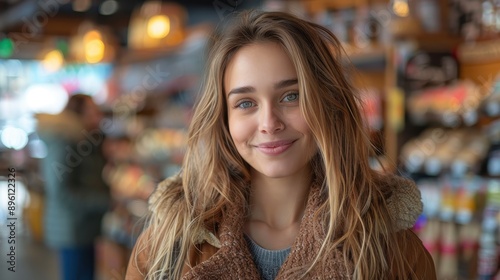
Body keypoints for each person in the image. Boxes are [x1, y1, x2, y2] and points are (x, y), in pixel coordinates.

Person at [126, 10, 436, 280]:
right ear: (223, 119)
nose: (269, 122)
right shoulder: (168, 242)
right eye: (246, 103)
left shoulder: (392, 249)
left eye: (291, 96)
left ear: (327, 104)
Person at [37, 94, 111, 280]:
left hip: (83, 225)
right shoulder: (64, 140)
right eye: (93, 111)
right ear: (78, 114)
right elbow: (61, 191)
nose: (99, 116)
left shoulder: (83, 139)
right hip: (72, 227)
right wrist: (104, 202)